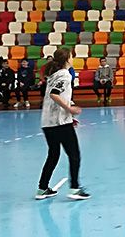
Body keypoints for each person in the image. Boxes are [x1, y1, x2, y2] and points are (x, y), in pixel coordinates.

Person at [35, 48, 90, 200]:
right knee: (74, 155)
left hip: (48, 122)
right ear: (67, 59)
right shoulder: (65, 75)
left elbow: (57, 95)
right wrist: (69, 108)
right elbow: (54, 94)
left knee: (53, 155)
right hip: (59, 123)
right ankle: (74, 188)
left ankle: (42, 188)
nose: (73, 59)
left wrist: (70, 115)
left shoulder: (53, 75)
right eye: (72, 56)